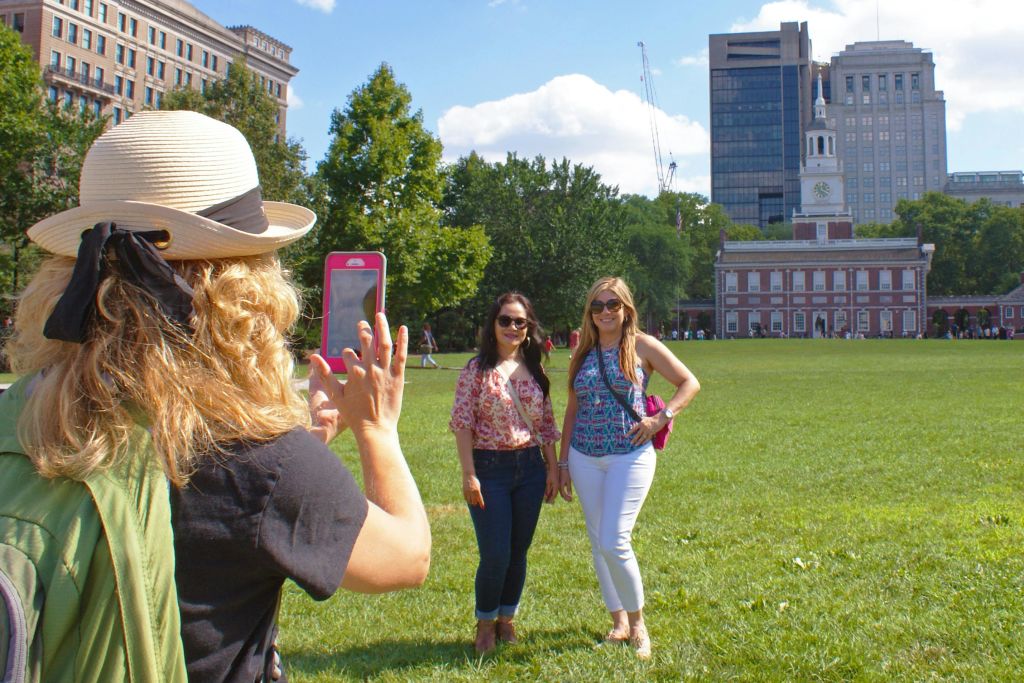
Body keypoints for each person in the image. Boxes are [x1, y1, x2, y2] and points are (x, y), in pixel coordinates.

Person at [4, 111, 431, 682]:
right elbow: (406, 558)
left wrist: (299, 449)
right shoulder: (256, 461)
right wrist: (377, 430)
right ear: (244, 286)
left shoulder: (18, 414)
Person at [556, 276, 700, 660]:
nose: (605, 312)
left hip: (630, 454)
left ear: (626, 309)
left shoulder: (643, 346)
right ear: (590, 313)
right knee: (597, 542)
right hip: (585, 455)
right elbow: (573, 409)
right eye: (597, 306)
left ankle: (638, 625)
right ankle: (617, 620)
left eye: (612, 305)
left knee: (613, 540)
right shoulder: (582, 353)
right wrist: (563, 461)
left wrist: (660, 419)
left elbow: (689, 383)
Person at [449, 293, 560, 654]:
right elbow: (463, 423)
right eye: (505, 320)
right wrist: (469, 474)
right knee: (495, 553)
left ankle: (506, 619)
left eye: (520, 322)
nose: (512, 327)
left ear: (529, 329)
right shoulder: (476, 370)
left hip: (529, 469)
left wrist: (552, 469)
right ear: (492, 324)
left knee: (518, 551)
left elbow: (545, 425)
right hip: (489, 469)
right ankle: (484, 622)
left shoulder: (536, 372)